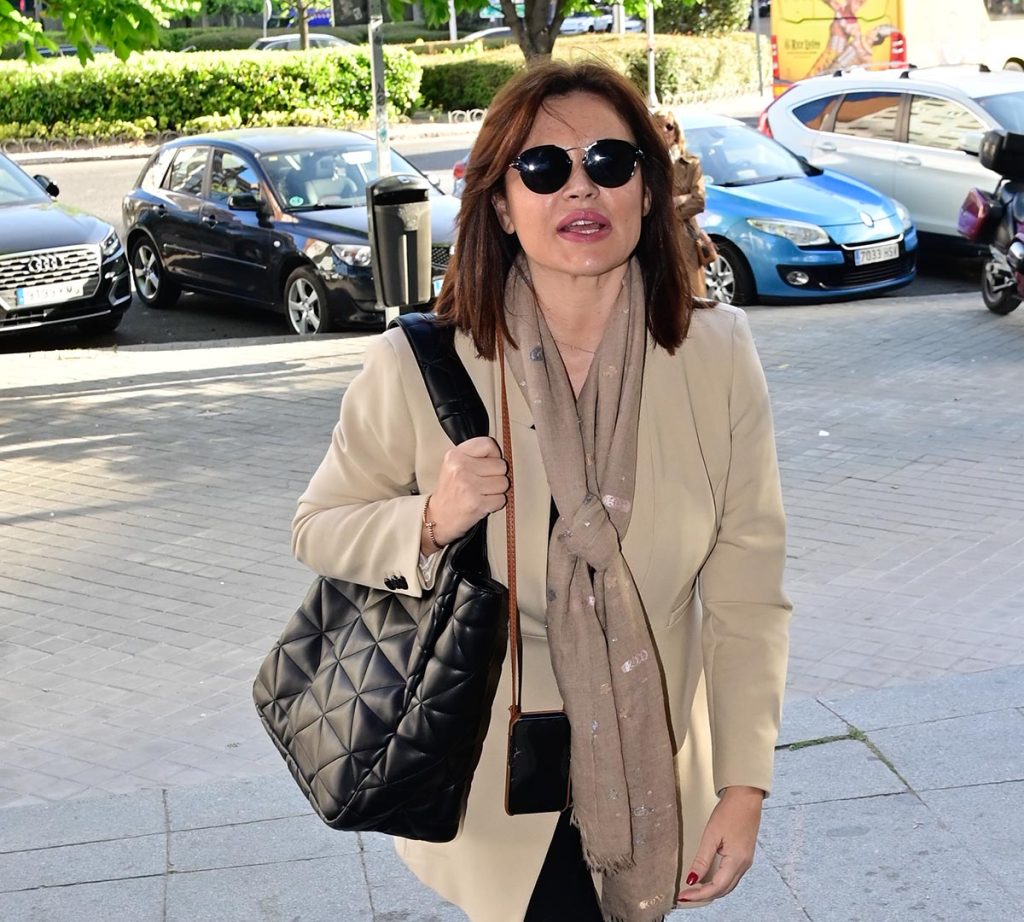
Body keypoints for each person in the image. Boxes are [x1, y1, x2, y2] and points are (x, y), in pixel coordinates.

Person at [292, 61, 791, 922]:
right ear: (500, 205)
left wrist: (743, 786)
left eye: (608, 161)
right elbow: (318, 526)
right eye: (543, 168)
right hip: (493, 757)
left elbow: (748, 591)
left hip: (653, 757)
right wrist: (432, 517)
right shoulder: (421, 365)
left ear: (645, 188)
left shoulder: (717, 354)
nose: (579, 188)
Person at [652, 109, 717, 298]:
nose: (665, 131)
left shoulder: (690, 163)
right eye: (659, 126)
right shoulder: (649, 165)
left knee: (693, 296)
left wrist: (669, 208)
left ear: (677, 131)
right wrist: (681, 199)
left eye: (669, 126)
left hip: (686, 237)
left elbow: (698, 201)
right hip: (658, 237)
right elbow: (647, 203)